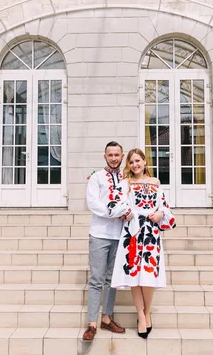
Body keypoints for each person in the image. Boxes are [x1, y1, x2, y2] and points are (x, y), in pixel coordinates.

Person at [110, 148, 176, 339]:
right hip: (132, 233)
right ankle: (140, 315)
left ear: (145, 162)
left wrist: (161, 213)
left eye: (138, 161)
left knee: (147, 275)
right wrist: (127, 212)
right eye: (131, 162)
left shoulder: (155, 183)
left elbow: (163, 205)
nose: (135, 165)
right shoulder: (125, 183)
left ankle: (147, 313)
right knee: (134, 277)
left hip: (151, 234)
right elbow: (115, 204)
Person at [82, 141, 132, 342]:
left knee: (112, 280)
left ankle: (106, 318)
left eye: (117, 155)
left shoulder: (127, 179)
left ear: (122, 156)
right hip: (99, 234)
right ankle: (92, 323)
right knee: (97, 279)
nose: (113, 158)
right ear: (105, 156)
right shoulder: (96, 178)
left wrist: (125, 212)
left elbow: (130, 202)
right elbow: (93, 203)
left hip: (120, 235)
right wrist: (115, 212)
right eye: (110, 154)